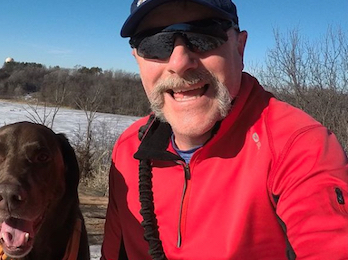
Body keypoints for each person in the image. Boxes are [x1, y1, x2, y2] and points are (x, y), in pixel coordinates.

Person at [101, 0, 348, 259]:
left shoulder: (300, 148)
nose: (180, 62)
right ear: (137, 59)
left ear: (240, 48)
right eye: (153, 43)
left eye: (204, 35)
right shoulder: (128, 149)